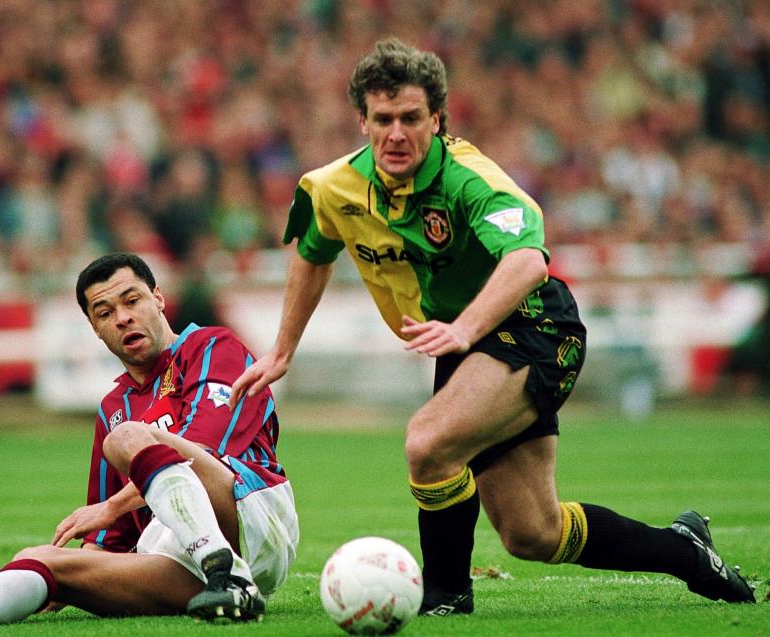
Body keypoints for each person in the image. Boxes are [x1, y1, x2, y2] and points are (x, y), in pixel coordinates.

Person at [230, 37, 755, 615]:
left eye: (411, 118)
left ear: (438, 118)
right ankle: (683, 550)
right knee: (534, 532)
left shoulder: (469, 178)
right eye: (383, 119)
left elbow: (529, 260)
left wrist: (463, 328)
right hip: (469, 341)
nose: (396, 133)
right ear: (362, 120)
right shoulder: (335, 187)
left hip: (535, 326)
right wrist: (282, 350)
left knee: (428, 443)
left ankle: (445, 596)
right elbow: (313, 249)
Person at [0, 252, 299, 629]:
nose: (122, 318)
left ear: (158, 299)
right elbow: (108, 542)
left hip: (250, 515)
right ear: (95, 329)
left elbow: (205, 457)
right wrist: (67, 578)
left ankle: (229, 573)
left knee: (129, 440)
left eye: (132, 300)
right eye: (105, 312)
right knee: (42, 560)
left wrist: (112, 505)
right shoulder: (113, 407)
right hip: (180, 558)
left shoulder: (212, 348)